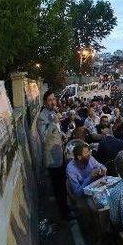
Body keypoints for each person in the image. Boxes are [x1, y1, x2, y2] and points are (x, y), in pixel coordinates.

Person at [37, 90, 69, 219]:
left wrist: (62, 136)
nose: (53, 102)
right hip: (52, 159)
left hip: (59, 154)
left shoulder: (53, 113)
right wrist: (52, 122)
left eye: (54, 99)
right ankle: (63, 214)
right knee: (58, 187)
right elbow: (44, 137)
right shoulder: (42, 116)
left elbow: (56, 130)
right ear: (45, 102)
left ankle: (66, 208)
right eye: (49, 100)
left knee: (63, 184)